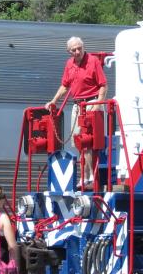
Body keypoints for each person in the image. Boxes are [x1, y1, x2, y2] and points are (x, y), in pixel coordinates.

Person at [45, 37, 107, 189]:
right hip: (78, 105)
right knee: (80, 143)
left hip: (92, 102)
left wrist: (97, 105)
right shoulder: (69, 64)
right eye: (74, 50)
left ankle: (91, 177)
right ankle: (85, 177)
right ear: (69, 52)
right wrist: (53, 101)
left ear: (83, 47)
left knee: (89, 142)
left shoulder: (93, 61)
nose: (78, 51)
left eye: (80, 48)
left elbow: (103, 85)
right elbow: (65, 86)